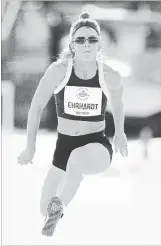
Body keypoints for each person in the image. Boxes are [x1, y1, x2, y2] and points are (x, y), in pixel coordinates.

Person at [17, 12, 128, 237]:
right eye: (80, 39)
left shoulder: (110, 75)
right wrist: (30, 147)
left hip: (97, 146)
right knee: (42, 209)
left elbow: (118, 105)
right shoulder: (58, 71)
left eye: (92, 39)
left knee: (77, 157)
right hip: (63, 148)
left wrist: (120, 133)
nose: (86, 43)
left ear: (99, 45)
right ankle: (55, 207)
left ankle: (59, 206)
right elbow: (36, 108)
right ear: (72, 44)